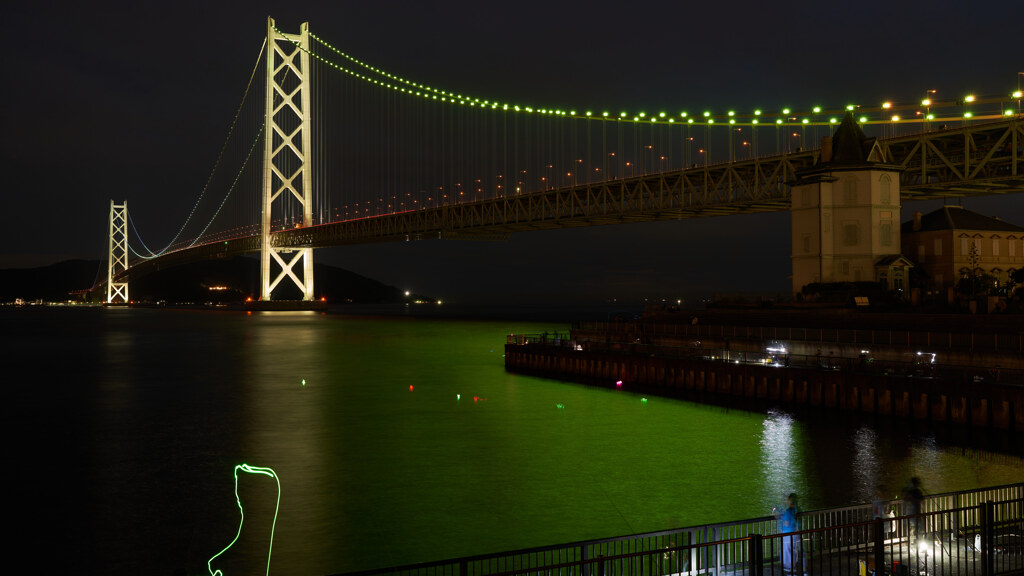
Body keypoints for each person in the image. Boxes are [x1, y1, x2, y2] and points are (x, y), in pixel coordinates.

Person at [775, 493, 801, 575]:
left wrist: (779, 516)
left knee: (787, 550)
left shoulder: (788, 511)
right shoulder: (795, 509)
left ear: (790, 501)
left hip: (787, 533)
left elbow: (786, 523)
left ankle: (789, 568)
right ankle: (792, 567)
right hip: (795, 532)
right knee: (793, 550)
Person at [902, 477, 924, 544]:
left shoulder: (909, 491)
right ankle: (916, 541)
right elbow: (921, 499)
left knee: (911, 528)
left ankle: (911, 541)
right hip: (915, 512)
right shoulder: (916, 491)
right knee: (917, 528)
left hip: (911, 513)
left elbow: (904, 497)